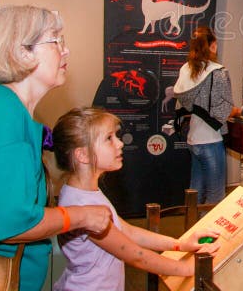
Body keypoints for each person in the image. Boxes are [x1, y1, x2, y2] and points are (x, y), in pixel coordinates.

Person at [0, 5, 112, 291]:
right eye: (56, 41)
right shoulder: (4, 120)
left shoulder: (0, 108)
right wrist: (82, 215)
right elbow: (13, 223)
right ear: (21, 52)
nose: (65, 51)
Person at [52, 107, 220, 290]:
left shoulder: (85, 192)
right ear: (82, 155)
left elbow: (127, 231)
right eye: (109, 139)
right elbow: (135, 255)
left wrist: (179, 244)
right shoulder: (81, 204)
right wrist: (188, 268)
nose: (119, 144)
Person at [172, 26, 235, 204]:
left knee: (195, 193)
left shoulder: (186, 69)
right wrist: (237, 110)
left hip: (193, 140)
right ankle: (208, 232)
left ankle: (192, 229)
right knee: (216, 197)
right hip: (211, 140)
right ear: (213, 46)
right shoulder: (218, 72)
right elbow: (223, 110)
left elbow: (187, 103)